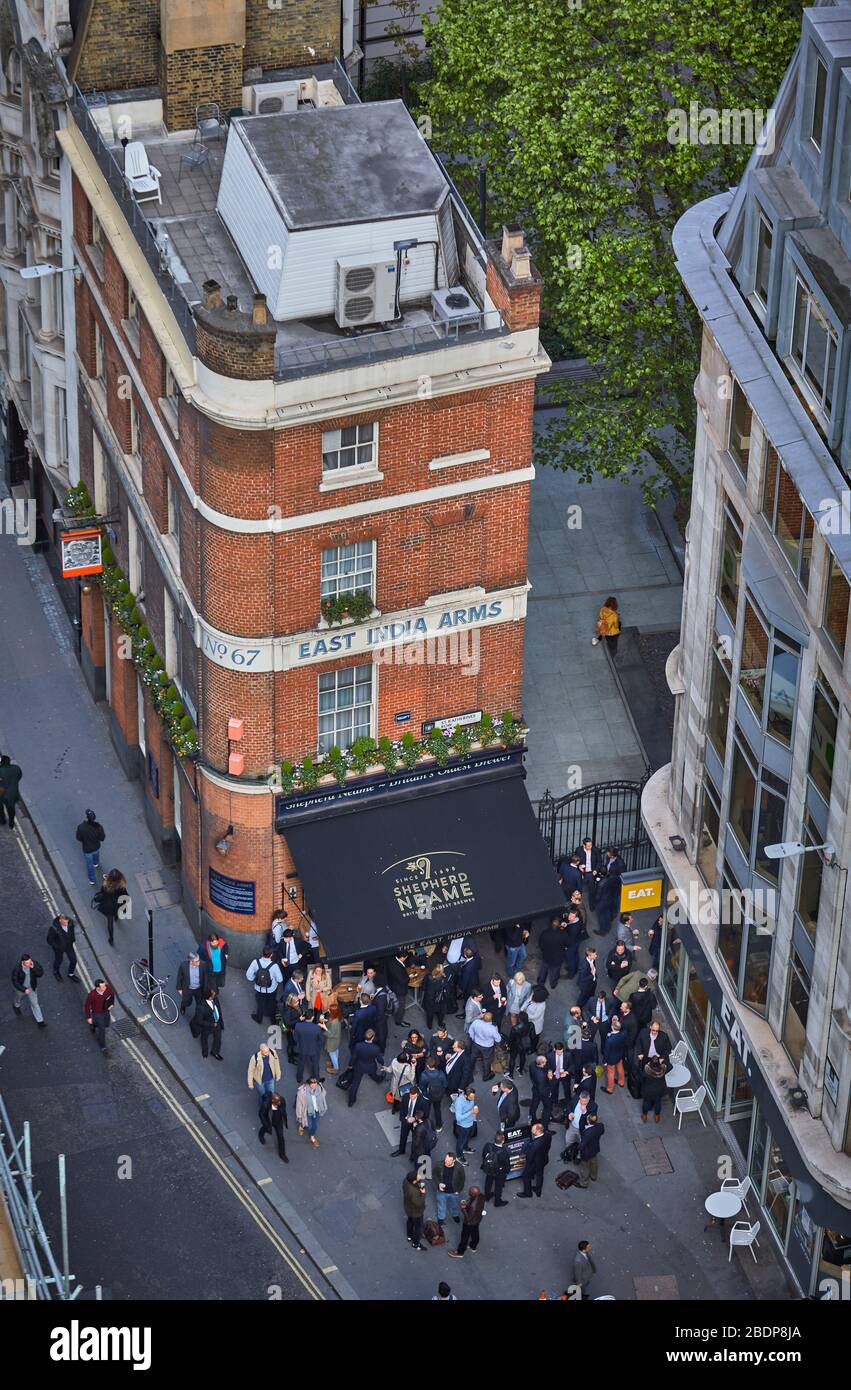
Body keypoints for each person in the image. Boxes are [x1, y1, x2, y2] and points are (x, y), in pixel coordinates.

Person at [347, 1028, 384, 1108]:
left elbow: (354, 1057)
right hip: (370, 1067)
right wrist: (382, 1064)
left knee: (355, 1083)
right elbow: (379, 1059)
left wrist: (350, 1065)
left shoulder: (358, 1046)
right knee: (373, 1075)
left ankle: (351, 1101)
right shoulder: (376, 1048)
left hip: (359, 1066)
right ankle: (379, 1080)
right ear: (372, 1037)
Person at [515, 1123, 553, 1199]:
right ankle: (538, 1190)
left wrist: (528, 1165)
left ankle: (528, 1193)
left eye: (533, 1129)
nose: (531, 1130)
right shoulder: (548, 1135)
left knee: (525, 1176)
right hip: (543, 1159)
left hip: (535, 1163)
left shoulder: (535, 1144)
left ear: (538, 1131)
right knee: (540, 1174)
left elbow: (529, 1157)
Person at [393, 1084, 431, 1156]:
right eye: (410, 1095)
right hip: (406, 1120)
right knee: (403, 1136)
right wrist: (403, 1118)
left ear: (417, 1094)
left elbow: (426, 1114)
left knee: (416, 1140)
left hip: (416, 1123)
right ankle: (401, 1150)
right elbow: (402, 1108)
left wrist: (415, 1118)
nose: (411, 1097)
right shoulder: (405, 1097)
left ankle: (413, 1155)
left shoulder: (423, 1102)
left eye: (413, 1096)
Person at [246, 950, 283, 1024]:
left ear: (262, 953)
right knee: (271, 1003)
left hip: (259, 988)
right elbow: (280, 979)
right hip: (271, 989)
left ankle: (259, 1018)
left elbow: (248, 975)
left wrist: (256, 978)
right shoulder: (274, 965)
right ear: (271, 955)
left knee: (260, 1003)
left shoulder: (255, 962)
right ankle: (273, 1021)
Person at [92, 869, 128, 947]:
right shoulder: (121, 886)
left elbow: (102, 893)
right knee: (117, 912)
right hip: (117, 904)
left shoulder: (105, 885)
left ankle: (111, 938)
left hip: (108, 905)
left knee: (109, 922)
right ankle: (117, 918)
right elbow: (125, 895)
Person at [448, 1187, 485, 1258]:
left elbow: (468, 1218)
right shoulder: (481, 1196)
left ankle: (460, 1252)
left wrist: (463, 1208)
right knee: (475, 1232)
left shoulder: (473, 1207)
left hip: (469, 1223)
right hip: (477, 1219)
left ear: (473, 1194)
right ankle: (473, 1246)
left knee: (464, 1237)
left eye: (470, 1193)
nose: (468, 1193)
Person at [12, 954, 46, 1027]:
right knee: (18, 999)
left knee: (35, 1004)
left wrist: (33, 968)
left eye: (30, 961)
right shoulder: (17, 969)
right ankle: (16, 1005)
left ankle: (40, 1021)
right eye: (27, 963)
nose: (29, 963)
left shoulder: (33, 964)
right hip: (21, 989)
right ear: (22, 962)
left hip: (32, 988)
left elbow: (40, 974)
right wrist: (24, 989)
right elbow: (15, 981)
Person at [294, 1010, 326, 1085]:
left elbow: (295, 1038)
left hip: (302, 1048)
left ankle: (299, 1078)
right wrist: (317, 1047)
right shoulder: (316, 1028)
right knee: (315, 1064)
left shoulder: (298, 1025)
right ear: (312, 1017)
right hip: (313, 1050)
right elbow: (321, 1040)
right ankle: (316, 1078)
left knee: (301, 1063)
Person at [176, 951, 209, 1024]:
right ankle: (183, 1006)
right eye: (196, 961)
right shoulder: (183, 966)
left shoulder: (203, 965)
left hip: (198, 989)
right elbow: (179, 977)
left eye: (199, 960)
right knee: (186, 1001)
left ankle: (198, 1016)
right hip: (188, 989)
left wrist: (206, 988)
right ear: (190, 961)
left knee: (199, 1004)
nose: (199, 963)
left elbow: (205, 977)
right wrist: (179, 988)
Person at [280, 970, 306, 1063]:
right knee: (290, 1043)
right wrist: (298, 998)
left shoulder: (295, 983)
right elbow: (288, 1022)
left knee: (293, 1041)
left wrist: (301, 993)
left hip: (295, 1024)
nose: (303, 979)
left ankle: (293, 1052)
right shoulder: (289, 987)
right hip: (290, 1027)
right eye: (301, 978)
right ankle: (290, 1058)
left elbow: (299, 989)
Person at [468, 1011, 501, 1080]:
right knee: (486, 1060)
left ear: (483, 1017)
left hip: (476, 1043)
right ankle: (486, 1076)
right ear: (491, 1019)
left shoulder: (476, 1022)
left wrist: (474, 1038)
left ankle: (469, 1070)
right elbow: (498, 1039)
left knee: (473, 1056)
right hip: (487, 1046)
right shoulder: (493, 1029)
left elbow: (470, 1031)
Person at [85, 978, 115, 1054]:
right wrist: (88, 1017)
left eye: (105, 985)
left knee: (106, 1024)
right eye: (103, 987)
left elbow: (112, 995)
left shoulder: (107, 988)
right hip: (97, 1014)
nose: (105, 988)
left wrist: (112, 1004)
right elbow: (87, 1006)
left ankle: (93, 1025)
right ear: (97, 988)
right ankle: (103, 1047)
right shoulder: (92, 995)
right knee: (102, 1030)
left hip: (106, 1011)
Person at [46, 914, 80, 982]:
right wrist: (57, 946)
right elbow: (49, 940)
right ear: (60, 920)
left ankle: (70, 974)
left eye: (67, 922)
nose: (66, 924)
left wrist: (72, 940)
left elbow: (71, 933)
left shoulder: (70, 924)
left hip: (69, 946)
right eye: (64, 922)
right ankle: (56, 972)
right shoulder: (54, 928)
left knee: (73, 960)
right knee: (58, 960)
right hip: (59, 948)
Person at [76, 808, 105, 886]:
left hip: (87, 849)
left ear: (86, 818)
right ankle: (96, 863)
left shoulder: (81, 827)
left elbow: (78, 837)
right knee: (96, 855)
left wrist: (84, 840)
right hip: (96, 847)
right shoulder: (98, 827)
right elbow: (102, 838)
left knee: (89, 865)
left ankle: (92, 880)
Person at [537, 916, 567, 989]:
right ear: (560, 925)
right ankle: (553, 984)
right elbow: (568, 944)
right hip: (558, 958)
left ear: (551, 924)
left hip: (546, 956)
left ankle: (541, 982)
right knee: (555, 972)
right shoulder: (563, 935)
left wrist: (544, 950)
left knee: (543, 969)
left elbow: (541, 945)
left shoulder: (545, 933)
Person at [295, 1076, 327, 1146]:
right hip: (307, 1111)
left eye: (315, 1083)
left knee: (314, 1126)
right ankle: (301, 1126)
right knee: (308, 1125)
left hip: (317, 1111)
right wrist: (299, 1115)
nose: (314, 1085)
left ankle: (312, 1136)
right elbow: (299, 1105)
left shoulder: (320, 1089)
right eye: (312, 1083)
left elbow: (323, 1096)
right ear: (308, 1083)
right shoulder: (303, 1092)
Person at [481, 1131, 510, 1207]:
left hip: (489, 1168)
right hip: (499, 1171)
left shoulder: (488, 1146)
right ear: (503, 1141)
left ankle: (487, 1196)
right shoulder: (504, 1152)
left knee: (488, 1181)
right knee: (498, 1186)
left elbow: (483, 1156)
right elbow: (507, 1164)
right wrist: (507, 1171)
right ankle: (497, 1202)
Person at [258, 1091, 288, 1162]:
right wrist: (266, 1124)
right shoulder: (265, 1104)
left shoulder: (282, 1100)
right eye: (277, 1102)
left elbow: (283, 1110)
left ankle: (282, 1154)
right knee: (265, 1128)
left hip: (278, 1121)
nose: (279, 1103)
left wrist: (284, 1120)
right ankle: (261, 1135)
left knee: (281, 1137)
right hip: (269, 1120)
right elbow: (261, 1115)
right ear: (272, 1100)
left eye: (279, 1101)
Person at [529, 1055, 559, 1127]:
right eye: (545, 1062)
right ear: (541, 1063)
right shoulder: (542, 1076)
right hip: (543, 1092)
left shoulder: (532, 1065)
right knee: (548, 1108)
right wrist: (551, 1079)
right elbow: (543, 1088)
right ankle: (544, 1125)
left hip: (535, 1089)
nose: (546, 1062)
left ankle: (532, 1119)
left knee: (534, 1104)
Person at [576, 1113, 605, 1187]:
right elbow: (602, 1132)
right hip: (595, 1148)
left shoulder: (587, 1132)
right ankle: (593, 1176)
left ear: (588, 1121)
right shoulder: (600, 1126)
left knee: (585, 1167)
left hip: (586, 1152)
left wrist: (578, 1148)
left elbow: (583, 1144)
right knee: (594, 1162)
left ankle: (584, 1183)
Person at [420, 1055, 448, 1131]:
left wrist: (425, 1094)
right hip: (438, 1096)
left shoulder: (424, 1075)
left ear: (427, 1065)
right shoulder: (441, 1073)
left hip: (428, 1096)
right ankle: (439, 1126)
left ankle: (425, 1125)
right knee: (437, 1109)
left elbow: (422, 1087)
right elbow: (445, 1084)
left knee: (426, 1110)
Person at [195, 988, 224, 1060]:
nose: (214, 992)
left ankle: (215, 1052)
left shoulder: (215, 999)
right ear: (210, 997)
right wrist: (212, 1024)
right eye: (213, 992)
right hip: (207, 1026)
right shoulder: (201, 1008)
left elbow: (218, 1009)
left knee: (218, 1038)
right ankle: (205, 1053)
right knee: (204, 1038)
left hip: (217, 1023)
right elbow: (199, 1021)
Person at [602, 1015, 628, 1093]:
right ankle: (621, 1082)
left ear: (612, 1027)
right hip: (619, 1055)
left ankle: (610, 1089)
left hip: (611, 1059)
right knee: (620, 1068)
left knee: (610, 1073)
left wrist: (605, 1060)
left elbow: (607, 1051)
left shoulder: (610, 1039)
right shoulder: (623, 1034)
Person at [421, 963, 450, 1030]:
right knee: (441, 1012)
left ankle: (429, 1025)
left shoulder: (428, 976)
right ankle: (440, 1023)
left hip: (429, 998)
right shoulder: (443, 980)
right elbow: (447, 989)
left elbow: (423, 988)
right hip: (440, 999)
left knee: (430, 1013)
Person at [451, 1086, 478, 1157]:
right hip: (463, 1126)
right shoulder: (459, 1102)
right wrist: (471, 1112)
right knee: (461, 1141)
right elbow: (458, 1118)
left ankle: (465, 1148)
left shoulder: (470, 1098)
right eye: (471, 1097)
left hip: (471, 1123)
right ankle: (459, 1156)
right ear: (465, 1095)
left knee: (467, 1138)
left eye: (474, 1097)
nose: (473, 1099)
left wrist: (475, 1109)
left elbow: (472, 1105)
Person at [403, 1171, 427, 1251]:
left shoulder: (406, 1181)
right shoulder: (413, 1192)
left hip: (408, 1208)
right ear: (414, 1181)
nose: (420, 1175)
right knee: (418, 1228)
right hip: (416, 1212)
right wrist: (423, 1193)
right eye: (418, 1175)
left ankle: (409, 1235)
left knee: (410, 1221)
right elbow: (419, 1203)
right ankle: (416, 1244)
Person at [384, 952, 411, 1025]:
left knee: (395, 1002)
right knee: (401, 1006)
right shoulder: (398, 968)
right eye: (406, 958)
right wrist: (409, 978)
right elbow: (402, 981)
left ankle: (394, 1012)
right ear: (402, 957)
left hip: (393, 985)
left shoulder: (391, 960)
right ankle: (399, 1021)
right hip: (400, 989)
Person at [641, 1056, 668, 1123]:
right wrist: (663, 1061)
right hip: (658, 1090)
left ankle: (644, 1116)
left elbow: (642, 1076)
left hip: (648, 1090)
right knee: (657, 1102)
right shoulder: (663, 1070)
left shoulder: (646, 1070)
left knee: (646, 1102)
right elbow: (670, 1067)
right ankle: (657, 1116)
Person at [505, 1010, 532, 1077]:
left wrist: (508, 1045)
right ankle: (520, 1070)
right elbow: (532, 1035)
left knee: (512, 1058)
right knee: (523, 1056)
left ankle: (511, 1075)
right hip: (524, 1044)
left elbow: (511, 1039)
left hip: (515, 1045)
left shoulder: (515, 1028)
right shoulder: (530, 1024)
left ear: (519, 1019)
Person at [0, 753, 23, 828]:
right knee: (10, 808)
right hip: (11, 794)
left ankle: (2, 820)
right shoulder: (16, 768)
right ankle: (11, 821)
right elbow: (19, 776)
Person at [563, 908, 584, 980]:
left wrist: (566, 946)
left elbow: (570, 939)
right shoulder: (577, 920)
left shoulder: (574, 928)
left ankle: (571, 973)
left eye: (572, 916)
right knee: (575, 954)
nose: (569, 917)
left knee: (570, 958)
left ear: (576, 917)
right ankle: (575, 968)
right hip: (577, 941)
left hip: (572, 943)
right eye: (570, 915)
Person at [323, 1006, 342, 1074]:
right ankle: (334, 1062)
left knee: (332, 1053)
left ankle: (335, 1069)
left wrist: (324, 1028)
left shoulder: (334, 1022)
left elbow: (331, 1034)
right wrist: (327, 1021)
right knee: (336, 1050)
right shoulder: (337, 1017)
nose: (328, 1010)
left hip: (332, 1041)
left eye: (329, 1009)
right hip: (337, 1039)